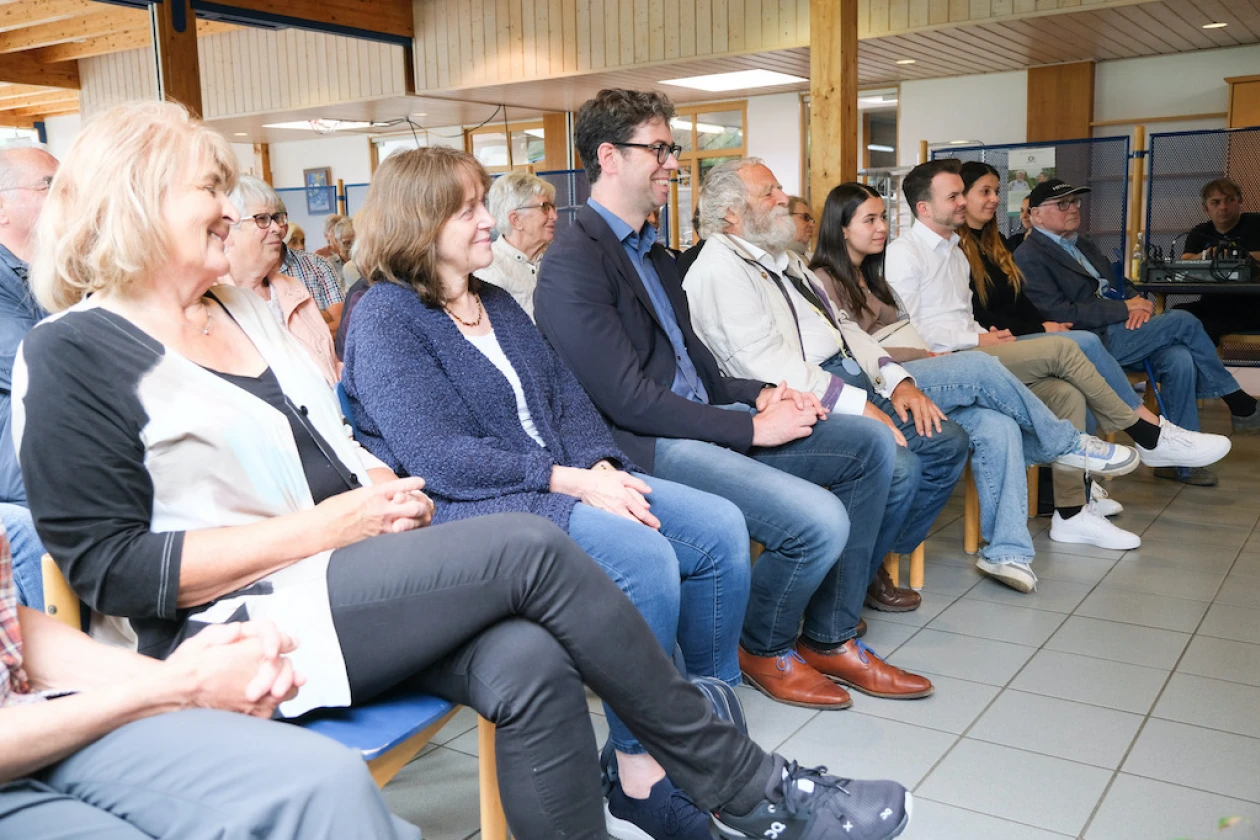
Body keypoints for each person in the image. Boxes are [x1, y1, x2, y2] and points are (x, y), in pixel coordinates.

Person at [14, 99, 914, 840]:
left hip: (341, 574)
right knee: (527, 548)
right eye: (208, 191)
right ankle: (743, 780)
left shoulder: (241, 311)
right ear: (133, 203)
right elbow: (115, 571)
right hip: (231, 623)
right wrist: (336, 523)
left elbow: (334, 447)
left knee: (530, 661)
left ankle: (663, 787)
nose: (238, 212)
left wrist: (371, 486)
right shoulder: (74, 354)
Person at [345, 146, 753, 840]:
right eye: (469, 208)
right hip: (476, 504)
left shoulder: (496, 302)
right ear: (420, 220)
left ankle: (706, 726)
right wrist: (571, 482)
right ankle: (638, 773)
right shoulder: (386, 317)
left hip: (561, 475)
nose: (487, 222)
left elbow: (566, 401)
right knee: (645, 559)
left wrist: (599, 467)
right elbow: (440, 457)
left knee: (719, 531)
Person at [535, 89, 935, 715]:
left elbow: (698, 368)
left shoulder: (652, 252)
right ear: (609, 157)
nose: (672, 162)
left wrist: (763, 395)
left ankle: (830, 635)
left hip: (706, 423)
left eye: (672, 148)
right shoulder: (573, 262)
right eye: (659, 149)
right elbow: (627, 400)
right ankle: (765, 644)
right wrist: (750, 430)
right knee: (819, 520)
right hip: (648, 446)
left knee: (869, 443)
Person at [806, 182, 1158, 590]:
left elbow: (909, 330)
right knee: (980, 365)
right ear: (841, 228)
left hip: (917, 373)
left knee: (998, 425)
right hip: (881, 385)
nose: (882, 227)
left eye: (883, 217)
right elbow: (853, 353)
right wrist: (930, 357)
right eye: (869, 220)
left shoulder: (872, 274)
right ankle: (1066, 444)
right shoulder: (822, 280)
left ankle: (1008, 552)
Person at [0, 524, 421, 839]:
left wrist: (194, 679)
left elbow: (11, 626)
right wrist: (167, 690)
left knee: (327, 782)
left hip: (37, 714)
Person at [886, 160, 1221, 550]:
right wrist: (977, 340)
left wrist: (986, 333)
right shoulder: (903, 254)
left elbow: (964, 316)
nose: (964, 202)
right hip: (941, 365)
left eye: (965, 193)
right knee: (1070, 345)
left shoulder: (955, 253)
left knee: (1068, 394)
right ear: (924, 207)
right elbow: (906, 331)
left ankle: (1072, 513)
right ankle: (1148, 434)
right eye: (955, 196)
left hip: (974, 350)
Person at [685, 159, 970, 595]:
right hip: (792, 404)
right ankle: (849, 584)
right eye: (769, 193)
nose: (784, 199)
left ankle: (865, 564)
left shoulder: (786, 261)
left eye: (780, 189)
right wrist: (862, 407)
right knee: (899, 467)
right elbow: (766, 367)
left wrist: (897, 380)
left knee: (947, 442)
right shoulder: (719, 271)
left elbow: (846, 329)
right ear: (730, 214)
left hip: (845, 381)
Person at [957, 162, 1227, 497]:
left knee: (1178, 357)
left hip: (1040, 334)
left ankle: (1078, 497)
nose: (996, 199)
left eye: (997, 191)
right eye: (986, 192)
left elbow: (1020, 303)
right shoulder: (980, 251)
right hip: (1010, 342)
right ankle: (1152, 430)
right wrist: (1046, 324)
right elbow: (979, 315)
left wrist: (1131, 304)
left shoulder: (999, 245)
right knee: (1175, 322)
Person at [1014, 176, 1260, 472]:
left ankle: (1179, 464)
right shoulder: (1029, 256)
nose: (1073, 209)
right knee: (1184, 319)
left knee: (1179, 358)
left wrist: (1138, 304)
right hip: (1092, 340)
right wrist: (1122, 309)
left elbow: (1118, 280)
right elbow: (1059, 311)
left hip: (1123, 327)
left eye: (1076, 202)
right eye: (1062, 204)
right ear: (1036, 214)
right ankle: (1234, 397)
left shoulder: (1083, 244)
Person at [0, 142, 55, 611]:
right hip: (18, 464)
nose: (66, 199)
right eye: (49, 187)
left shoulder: (53, 270)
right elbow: (38, 363)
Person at [223, 175, 339, 385]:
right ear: (229, 228)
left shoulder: (294, 290)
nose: (277, 228)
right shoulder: (213, 300)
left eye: (277, 218)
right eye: (262, 219)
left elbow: (330, 364)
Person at [1173, 177, 1260, 345]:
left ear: (1240, 201)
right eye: (1216, 202)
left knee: (1207, 327)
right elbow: (1185, 260)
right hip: (1212, 304)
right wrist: (1206, 255)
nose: (1223, 207)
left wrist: (1238, 255)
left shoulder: (1256, 223)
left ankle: (1207, 370)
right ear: (1206, 208)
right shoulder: (1200, 232)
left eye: (1229, 200)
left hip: (1252, 305)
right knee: (1175, 315)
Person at [475, 169, 558, 319]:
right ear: (516, 220)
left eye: (553, 207)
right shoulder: (489, 271)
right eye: (545, 208)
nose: (555, 216)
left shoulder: (556, 260)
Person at [279, 216, 345, 337]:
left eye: (302, 241)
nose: (301, 247)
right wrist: (322, 315)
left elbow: (340, 325)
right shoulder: (261, 274)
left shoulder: (318, 264)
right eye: (294, 241)